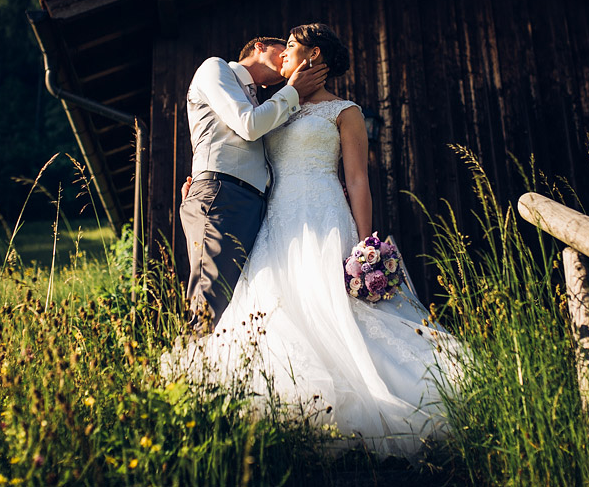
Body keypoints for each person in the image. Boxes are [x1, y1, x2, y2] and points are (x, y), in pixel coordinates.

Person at [175, 23, 465, 458]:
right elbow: (245, 140)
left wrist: (366, 245)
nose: (284, 57)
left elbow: (358, 180)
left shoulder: (345, 111)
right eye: (282, 47)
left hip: (324, 213)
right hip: (277, 218)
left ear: (313, 58)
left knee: (336, 305)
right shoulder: (274, 103)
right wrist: (202, 175)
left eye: (291, 48)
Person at [180, 36, 329, 332]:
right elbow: (247, 126)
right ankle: (188, 371)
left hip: (253, 205)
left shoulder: (261, 102)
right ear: (259, 46)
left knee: (241, 302)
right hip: (222, 195)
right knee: (211, 299)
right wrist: (292, 92)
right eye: (282, 49)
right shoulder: (216, 69)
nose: (288, 56)